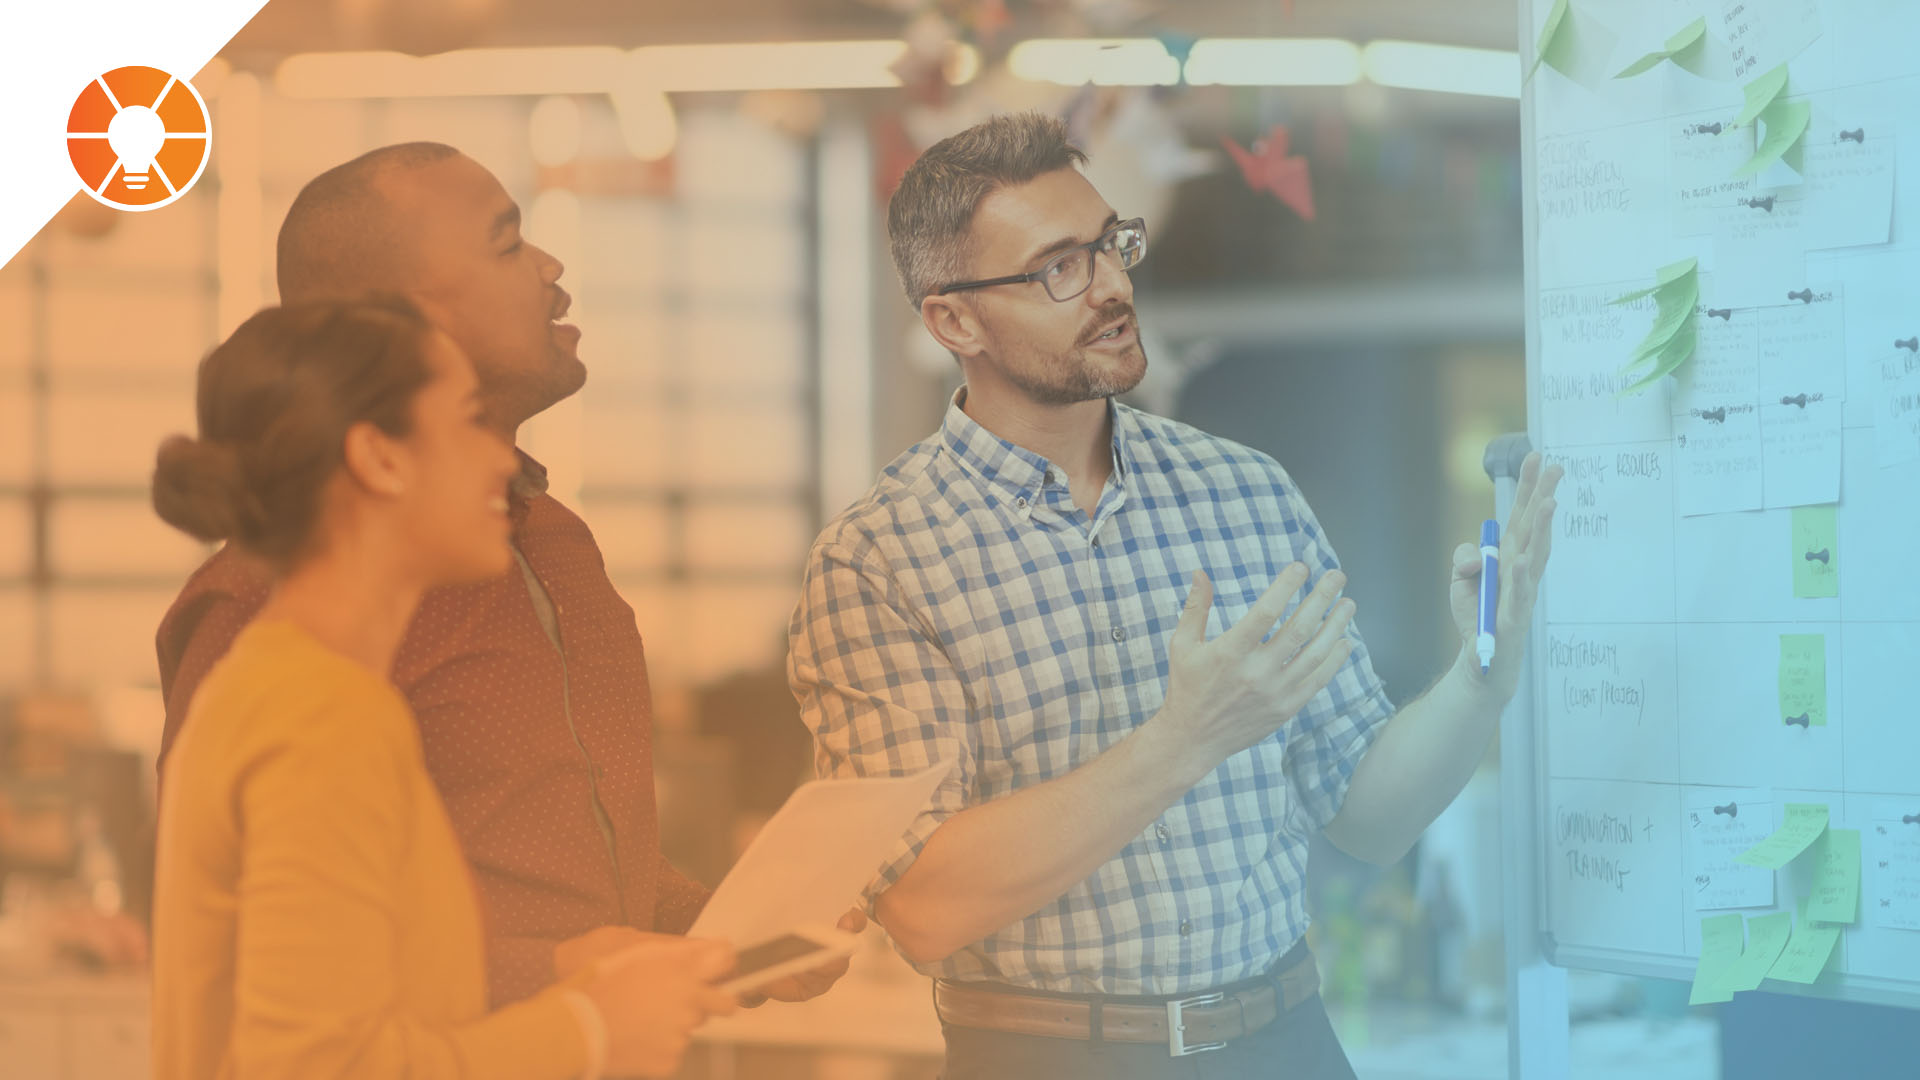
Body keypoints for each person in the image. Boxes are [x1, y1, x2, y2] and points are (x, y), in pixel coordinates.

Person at [788, 112, 1563, 1079]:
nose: (1114, 285)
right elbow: (924, 904)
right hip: (1045, 1060)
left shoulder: (1246, 489)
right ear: (954, 320)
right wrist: (1186, 737)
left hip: (1285, 1042)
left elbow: (1371, 816)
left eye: (1111, 244)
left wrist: (1480, 679)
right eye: (1058, 268)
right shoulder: (878, 562)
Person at [153, 143, 858, 1006]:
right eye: (508, 243)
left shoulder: (557, 544)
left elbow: (595, 877)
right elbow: (261, 968)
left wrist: (726, 937)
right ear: (394, 324)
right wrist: (578, 983)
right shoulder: (273, 613)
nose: (552, 266)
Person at [149, 296, 738, 1079]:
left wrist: (568, 967)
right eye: (469, 420)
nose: (502, 459)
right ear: (381, 457)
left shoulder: (289, 684)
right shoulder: (320, 714)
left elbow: (357, 1000)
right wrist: (591, 1033)